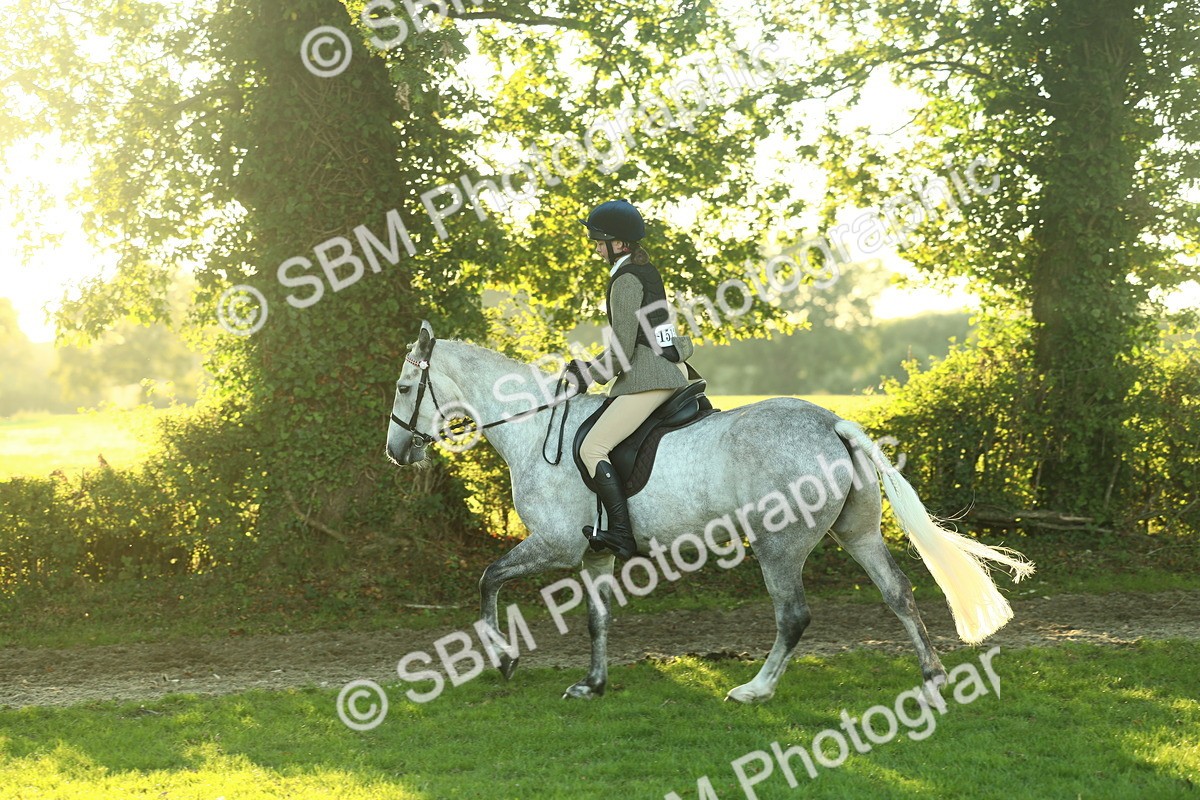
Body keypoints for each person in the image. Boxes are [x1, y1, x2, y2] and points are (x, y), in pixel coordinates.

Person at [569, 199, 696, 559]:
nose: (595, 246)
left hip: (649, 378)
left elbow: (622, 350)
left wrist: (587, 375)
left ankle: (622, 534)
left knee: (591, 447)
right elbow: (662, 332)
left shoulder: (625, 280)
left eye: (599, 240)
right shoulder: (647, 272)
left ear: (619, 243)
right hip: (671, 368)